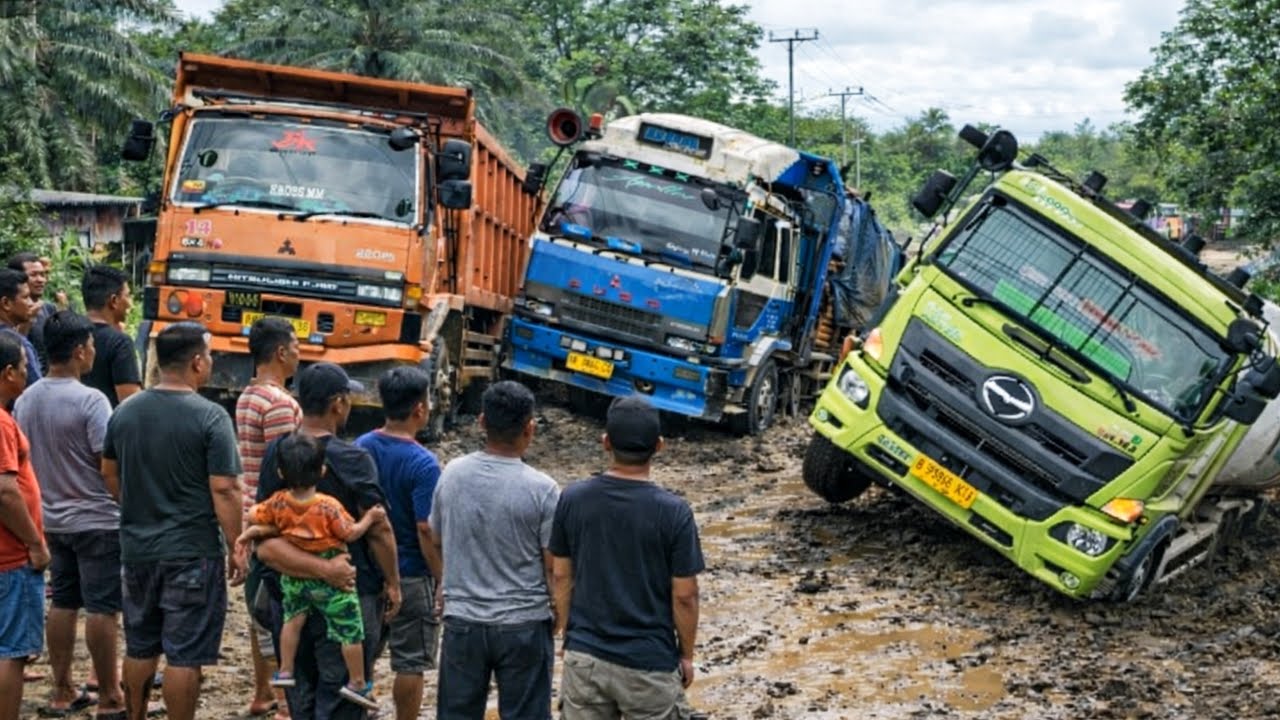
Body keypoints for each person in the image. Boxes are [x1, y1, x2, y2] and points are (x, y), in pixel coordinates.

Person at [101, 322, 245, 720]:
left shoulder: (125, 413)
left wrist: (136, 505)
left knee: (140, 645)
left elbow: (108, 472)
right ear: (197, 362)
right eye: (209, 356)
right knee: (185, 654)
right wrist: (236, 543)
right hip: (191, 551)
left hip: (137, 549)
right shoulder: (211, 417)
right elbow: (225, 488)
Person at [253, 362, 400, 720]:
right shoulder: (352, 459)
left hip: (289, 593)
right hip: (348, 591)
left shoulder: (279, 452)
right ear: (338, 403)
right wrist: (393, 583)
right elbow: (379, 530)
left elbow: (265, 534)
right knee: (340, 696)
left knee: (301, 693)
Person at [550, 395, 705, 720]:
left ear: (605, 442)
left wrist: (568, 634)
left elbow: (561, 575)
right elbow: (685, 595)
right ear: (659, 446)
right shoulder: (674, 513)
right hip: (649, 664)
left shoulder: (573, 499)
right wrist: (686, 655)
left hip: (586, 658)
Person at [13, 312, 124, 719]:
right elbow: (106, 462)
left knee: (62, 601)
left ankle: (62, 688)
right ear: (80, 351)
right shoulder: (92, 401)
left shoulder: (27, 398)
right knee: (102, 607)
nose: (93, 351)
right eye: (91, 345)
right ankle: (110, 694)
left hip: (50, 519)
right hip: (96, 518)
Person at [428, 380, 560, 720]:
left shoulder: (452, 474)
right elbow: (553, 566)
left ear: (482, 422)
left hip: (463, 621)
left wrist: (446, 583)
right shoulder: (543, 489)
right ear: (530, 428)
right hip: (524, 623)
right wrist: (560, 609)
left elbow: (436, 538)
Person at [238, 433, 387, 710]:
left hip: (294, 577)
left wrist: (260, 528)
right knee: (348, 628)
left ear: (280, 473)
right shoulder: (328, 506)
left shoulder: (278, 502)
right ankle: (357, 681)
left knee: (292, 621)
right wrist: (371, 517)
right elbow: (350, 533)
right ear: (322, 471)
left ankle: (285, 670)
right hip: (331, 580)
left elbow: (253, 515)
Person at [355, 367, 442, 720]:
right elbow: (425, 529)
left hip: (367, 570)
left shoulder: (362, 447)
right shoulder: (424, 464)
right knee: (410, 662)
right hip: (411, 574)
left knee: (363, 652)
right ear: (420, 409)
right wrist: (441, 577)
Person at [236, 318, 302, 720]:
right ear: (280, 352)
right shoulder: (279, 404)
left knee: (258, 606)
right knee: (281, 609)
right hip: (274, 518)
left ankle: (263, 693)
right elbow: (285, 469)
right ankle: (283, 700)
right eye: (295, 347)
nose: (299, 354)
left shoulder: (248, 395)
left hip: (251, 511)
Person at [0, 333, 47, 720]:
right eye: (23, 367)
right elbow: (4, 492)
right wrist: (34, 543)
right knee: (11, 652)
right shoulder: (1, 423)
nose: (28, 373)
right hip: (11, 555)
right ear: (7, 374)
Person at [80, 265, 140, 407]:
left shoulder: (68, 332)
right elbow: (131, 404)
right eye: (127, 296)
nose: (130, 304)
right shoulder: (119, 343)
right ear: (114, 301)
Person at [6, 253, 57, 373]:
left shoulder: (48, 308)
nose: (40, 280)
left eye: (42, 274)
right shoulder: (8, 312)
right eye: (33, 275)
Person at [0, 268, 40, 388]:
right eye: (26, 297)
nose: (31, 303)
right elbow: (36, 390)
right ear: (6, 303)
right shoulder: (19, 345)